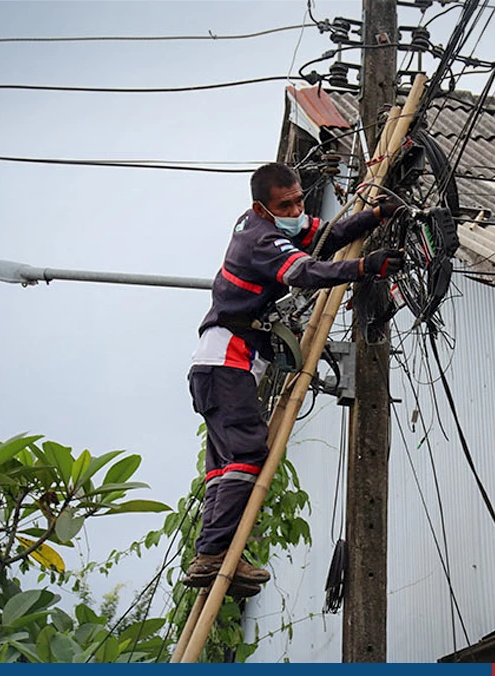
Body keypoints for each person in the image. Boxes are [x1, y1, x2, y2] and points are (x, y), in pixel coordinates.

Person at [183, 162, 403, 594]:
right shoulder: (260, 240)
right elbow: (304, 271)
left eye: (300, 198)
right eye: (287, 204)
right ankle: (212, 554)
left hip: (218, 365)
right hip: (227, 362)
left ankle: (218, 555)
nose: (298, 208)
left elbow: (323, 238)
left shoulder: (269, 224)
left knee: (224, 468)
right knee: (247, 454)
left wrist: (374, 216)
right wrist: (363, 268)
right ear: (261, 208)